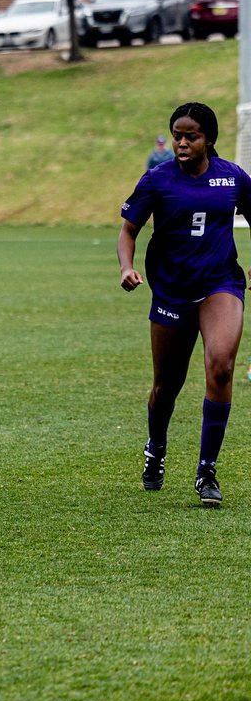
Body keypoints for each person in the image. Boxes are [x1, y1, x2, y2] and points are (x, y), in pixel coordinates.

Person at [118, 102, 251, 507]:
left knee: (222, 368)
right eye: (177, 134)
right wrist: (126, 267)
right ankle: (155, 449)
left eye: (190, 135)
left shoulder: (231, 178)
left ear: (208, 138)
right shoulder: (157, 180)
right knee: (166, 386)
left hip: (220, 284)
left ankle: (206, 471)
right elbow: (128, 231)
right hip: (173, 291)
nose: (181, 142)